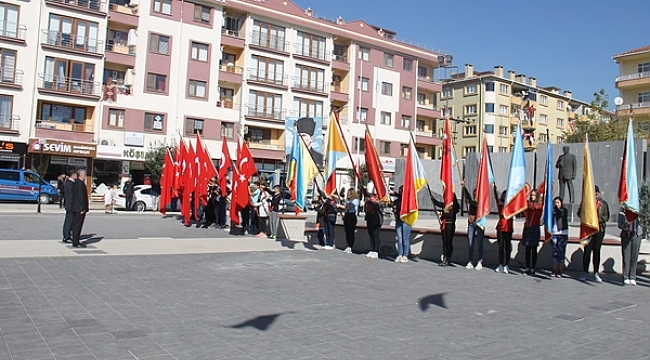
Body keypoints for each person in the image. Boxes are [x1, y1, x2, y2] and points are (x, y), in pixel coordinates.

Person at [579, 185, 609, 282]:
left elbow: (606, 216)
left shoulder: (603, 203)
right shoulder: (586, 202)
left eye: (596, 193)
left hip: (598, 230)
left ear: (598, 193)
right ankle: (585, 272)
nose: (595, 194)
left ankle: (596, 272)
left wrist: (596, 220)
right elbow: (579, 213)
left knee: (597, 251)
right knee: (587, 251)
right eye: (593, 192)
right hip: (588, 231)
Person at [431, 193, 460, 266]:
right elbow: (438, 203)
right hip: (444, 224)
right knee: (444, 242)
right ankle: (445, 257)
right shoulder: (445, 205)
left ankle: (449, 257)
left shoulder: (454, 206)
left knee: (449, 242)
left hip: (450, 224)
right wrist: (433, 199)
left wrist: (452, 193)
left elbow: (456, 207)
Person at [462, 181, 484, 270]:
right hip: (471, 224)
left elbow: (476, 204)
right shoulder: (472, 200)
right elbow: (467, 197)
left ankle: (480, 261)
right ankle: (470, 261)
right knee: (470, 243)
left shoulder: (481, 203)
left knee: (480, 243)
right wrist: (464, 187)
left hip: (479, 223)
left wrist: (470, 201)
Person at [522, 189, 543, 275]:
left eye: (534, 195)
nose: (532, 197)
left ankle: (533, 268)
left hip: (535, 227)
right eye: (531, 195)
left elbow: (540, 216)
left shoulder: (539, 206)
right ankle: (527, 267)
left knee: (534, 249)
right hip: (528, 227)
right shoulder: (528, 204)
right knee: (527, 249)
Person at [618, 208, 642, 286]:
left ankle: (632, 277)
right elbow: (620, 225)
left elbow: (643, 222)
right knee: (626, 256)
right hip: (626, 234)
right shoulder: (622, 213)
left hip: (636, 234)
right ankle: (625, 277)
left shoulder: (638, 211)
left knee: (634, 256)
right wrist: (625, 224)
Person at [494, 186, 513, 274]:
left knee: (507, 247)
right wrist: (494, 189)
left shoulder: (512, 206)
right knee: (501, 247)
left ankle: (507, 265)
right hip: (501, 227)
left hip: (508, 227)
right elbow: (496, 198)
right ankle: (500, 264)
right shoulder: (500, 205)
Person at [392, 185, 411, 263]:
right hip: (399, 220)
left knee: (405, 239)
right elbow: (392, 204)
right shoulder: (398, 200)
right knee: (399, 239)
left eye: (402, 190)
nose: (400, 192)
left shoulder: (408, 200)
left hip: (406, 221)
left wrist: (394, 193)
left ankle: (405, 255)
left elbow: (404, 199)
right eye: (400, 190)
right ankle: (400, 254)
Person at [551, 197, 569, 278]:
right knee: (555, 252)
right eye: (555, 202)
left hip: (562, 233)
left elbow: (559, 214)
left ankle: (560, 270)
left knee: (561, 252)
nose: (556, 204)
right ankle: (554, 269)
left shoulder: (564, 210)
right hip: (554, 233)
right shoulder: (552, 211)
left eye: (558, 202)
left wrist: (555, 209)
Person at [71, 170, 89, 248]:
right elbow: (81, 197)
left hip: (75, 207)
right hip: (79, 208)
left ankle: (76, 240)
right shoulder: (80, 184)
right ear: (81, 175)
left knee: (76, 225)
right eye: (84, 175)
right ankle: (76, 241)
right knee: (78, 225)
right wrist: (82, 208)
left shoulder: (75, 183)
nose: (85, 176)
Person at [364, 193, 383, 259]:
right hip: (370, 220)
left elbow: (376, 206)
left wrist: (369, 201)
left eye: (373, 196)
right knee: (371, 235)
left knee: (376, 236)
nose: (371, 197)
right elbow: (366, 209)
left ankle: (376, 251)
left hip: (377, 221)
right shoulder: (369, 201)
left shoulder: (380, 202)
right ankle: (371, 249)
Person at [62, 170, 77, 244]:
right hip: (71, 205)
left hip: (69, 204)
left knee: (69, 221)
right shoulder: (70, 183)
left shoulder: (69, 182)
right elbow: (71, 195)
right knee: (69, 221)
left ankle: (67, 235)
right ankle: (66, 236)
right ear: (72, 175)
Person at [342, 188, 359, 254]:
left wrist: (342, 206)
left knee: (351, 232)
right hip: (347, 215)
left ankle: (350, 246)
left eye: (349, 193)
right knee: (347, 231)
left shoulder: (355, 200)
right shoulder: (347, 200)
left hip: (352, 216)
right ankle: (348, 245)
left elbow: (350, 207)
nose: (348, 194)